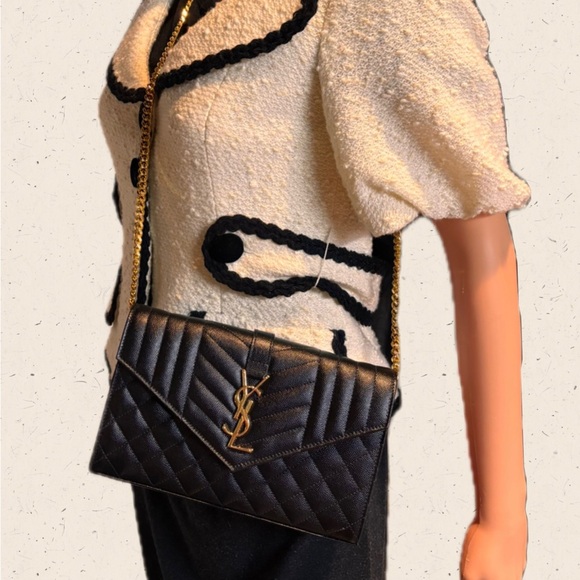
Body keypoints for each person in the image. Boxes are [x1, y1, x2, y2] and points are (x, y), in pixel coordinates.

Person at [97, 0, 530, 577]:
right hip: (159, 400)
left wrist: (502, 516)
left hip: (295, 424)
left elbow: (479, 240)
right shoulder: (166, 10)